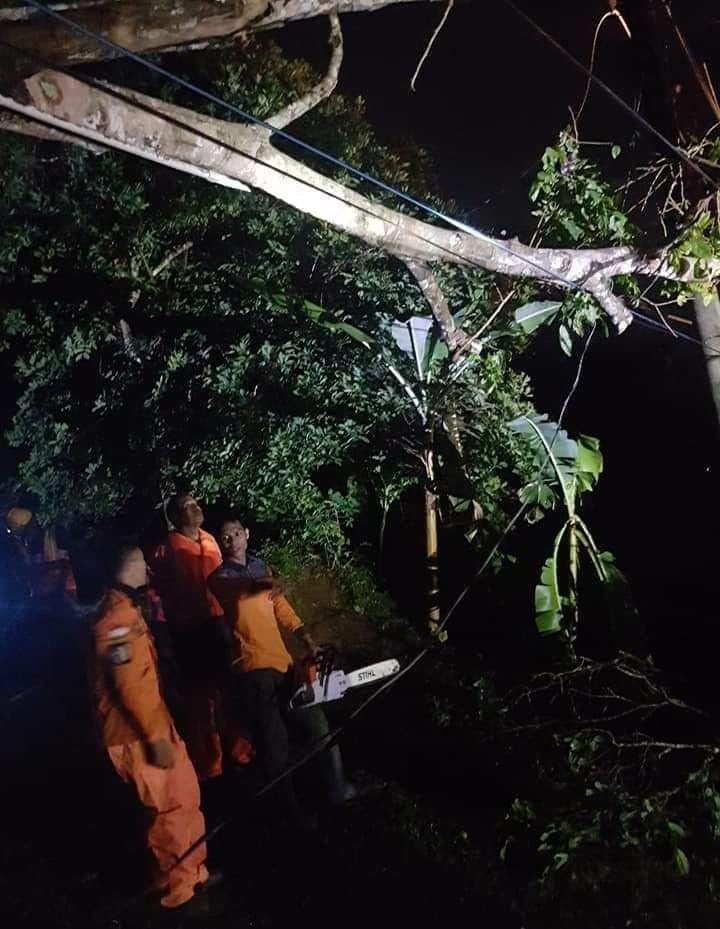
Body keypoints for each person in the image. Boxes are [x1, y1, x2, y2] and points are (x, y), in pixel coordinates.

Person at [88, 543, 210, 912]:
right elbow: (131, 687)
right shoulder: (115, 620)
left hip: (154, 725)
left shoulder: (125, 611)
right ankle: (178, 892)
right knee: (168, 811)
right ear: (128, 566)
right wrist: (155, 737)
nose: (148, 571)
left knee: (185, 797)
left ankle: (193, 872)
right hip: (136, 735)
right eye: (143, 563)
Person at [208, 517, 355, 812]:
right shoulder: (219, 578)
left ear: (247, 534)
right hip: (251, 667)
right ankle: (289, 813)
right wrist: (273, 582)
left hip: (282, 663)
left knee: (317, 723)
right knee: (275, 743)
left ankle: (338, 787)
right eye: (226, 537)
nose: (233, 539)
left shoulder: (261, 567)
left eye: (237, 532)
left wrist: (307, 639)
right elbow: (244, 590)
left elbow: (281, 607)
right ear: (220, 544)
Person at [150, 494, 250, 780]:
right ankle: (210, 764)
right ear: (175, 517)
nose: (197, 509)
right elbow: (156, 596)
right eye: (188, 507)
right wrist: (164, 637)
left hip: (219, 623)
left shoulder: (209, 539)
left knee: (230, 689)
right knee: (200, 699)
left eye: (197, 504)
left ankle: (240, 750)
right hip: (189, 632)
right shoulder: (166, 550)